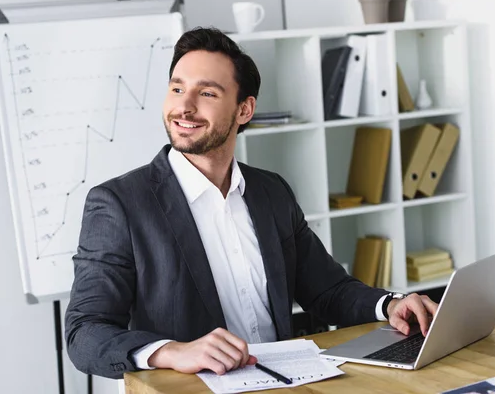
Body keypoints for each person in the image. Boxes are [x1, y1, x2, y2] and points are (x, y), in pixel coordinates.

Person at [64, 27, 439, 380]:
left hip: (286, 380)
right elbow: (84, 333)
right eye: (177, 89)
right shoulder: (118, 204)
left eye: (207, 93)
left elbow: (327, 290)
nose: (185, 107)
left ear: (244, 110)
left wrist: (391, 304)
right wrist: (172, 351)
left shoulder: (270, 191)